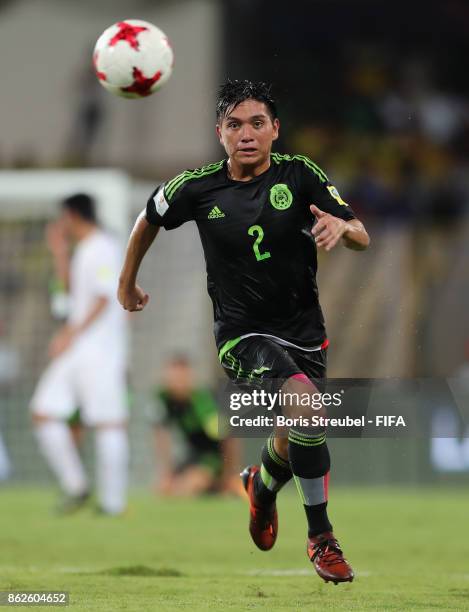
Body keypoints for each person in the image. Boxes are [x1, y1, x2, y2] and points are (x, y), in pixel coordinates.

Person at [118, 80, 370, 583]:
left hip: (304, 333)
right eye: (235, 125)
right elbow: (147, 218)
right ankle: (321, 537)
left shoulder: (301, 175)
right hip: (242, 335)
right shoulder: (196, 186)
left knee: (291, 435)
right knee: (307, 405)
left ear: (276, 129)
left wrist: (344, 229)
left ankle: (261, 488)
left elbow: (361, 233)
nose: (247, 134)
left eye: (257, 123)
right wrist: (127, 282)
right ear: (220, 133)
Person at [31, 194, 129, 515]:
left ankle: (113, 503)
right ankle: (77, 487)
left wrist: (69, 333)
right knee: (43, 411)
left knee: (109, 423)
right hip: (78, 348)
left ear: (72, 215)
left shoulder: (103, 247)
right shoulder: (83, 250)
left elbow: (103, 299)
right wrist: (59, 252)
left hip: (99, 350)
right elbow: (70, 297)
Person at [151, 355, 243, 497]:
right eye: (173, 377)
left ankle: (223, 486)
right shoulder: (164, 399)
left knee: (188, 488)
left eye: (181, 377)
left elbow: (229, 437)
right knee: (164, 490)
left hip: (213, 458)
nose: (177, 382)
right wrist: (167, 473)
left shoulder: (202, 402)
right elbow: (161, 435)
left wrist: (230, 474)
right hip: (193, 456)